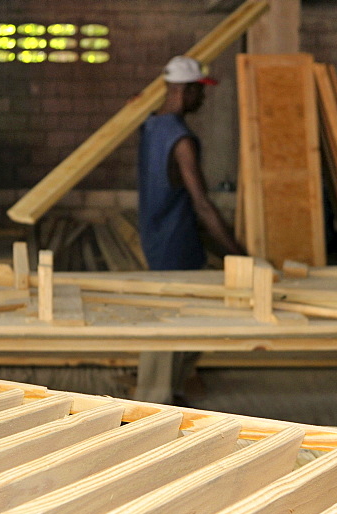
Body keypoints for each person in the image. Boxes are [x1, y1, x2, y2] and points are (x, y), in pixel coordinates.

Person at [134, 55, 244, 404]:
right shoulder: (181, 140)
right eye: (201, 90)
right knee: (168, 328)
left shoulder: (150, 126)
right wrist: (241, 257)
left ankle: (171, 392)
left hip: (154, 236)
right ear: (185, 90)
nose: (204, 98)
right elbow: (202, 204)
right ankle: (153, 406)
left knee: (183, 321)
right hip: (175, 245)